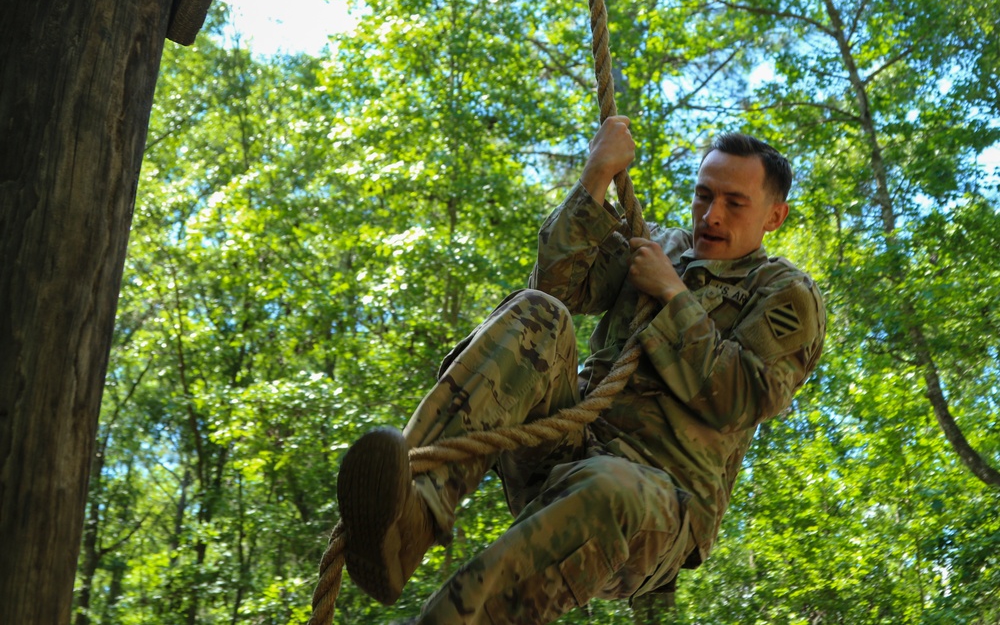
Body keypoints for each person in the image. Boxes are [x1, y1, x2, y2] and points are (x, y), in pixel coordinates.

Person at [335, 116, 826, 624]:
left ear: (774, 217)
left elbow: (740, 399)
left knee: (609, 483)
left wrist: (672, 295)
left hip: (658, 507)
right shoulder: (658, 246)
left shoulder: (784, 292)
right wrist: (596, 175)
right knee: (537, 313)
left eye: (734, 203)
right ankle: (410, 520)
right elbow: (555, 285)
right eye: (704, 196)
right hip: (565, 445)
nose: (712, 214)